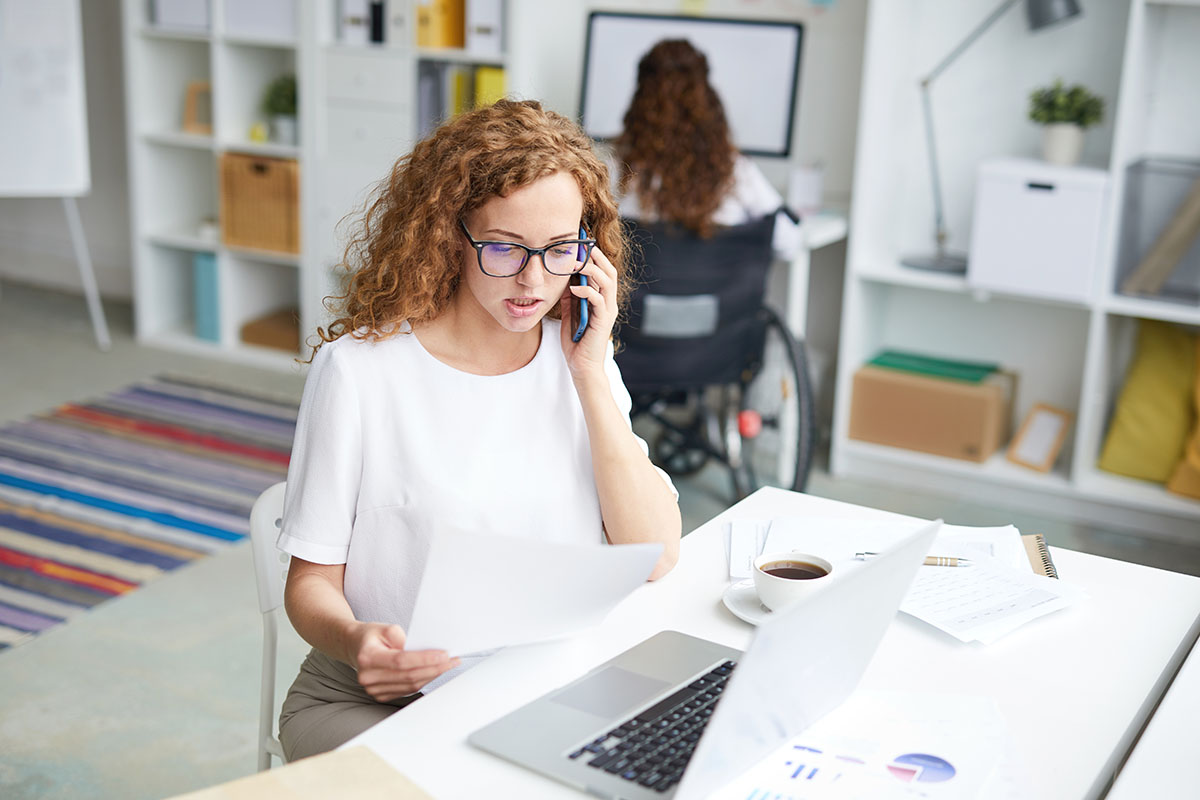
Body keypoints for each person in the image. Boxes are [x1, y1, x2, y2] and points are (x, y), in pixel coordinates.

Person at [275, 99, 682, 761]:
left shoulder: (579, 356)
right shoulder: (360, 372)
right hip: (376, 696)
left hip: (531, 688)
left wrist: (587, 370)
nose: (532, 280)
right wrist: (358, 643)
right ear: (447, 233)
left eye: (559, 251)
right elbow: (310, 582)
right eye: (504, 248)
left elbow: (658, 554)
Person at [610, 39, 799, 255]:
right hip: (723, 289)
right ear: (707, 99)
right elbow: (789, 243)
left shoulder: (615, 170)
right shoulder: (735, 171)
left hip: (635, 289)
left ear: (639, 101)